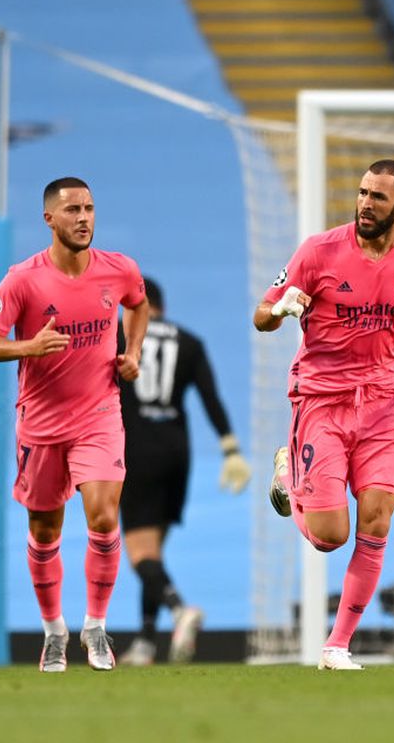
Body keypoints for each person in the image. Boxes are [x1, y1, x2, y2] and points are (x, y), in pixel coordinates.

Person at [254, 159, 394, 670]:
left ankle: (337, 646)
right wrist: (283, 308)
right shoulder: (318, 251)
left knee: (376, 521)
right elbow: (261, 316)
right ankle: (288, 477)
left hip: (383, 408)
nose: (365, 204)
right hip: (321, 404)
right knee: (331, 537)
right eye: (361, 193)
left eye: (377, 197)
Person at [0, 176, 149, 672]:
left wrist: (132, 351)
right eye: (72, 209)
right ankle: (54, 631)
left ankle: (96, 627)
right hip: (42, 423)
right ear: (49, 219)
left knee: (102, 515)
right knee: (45, 528)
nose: (84, 218)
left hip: (99, 414)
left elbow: (138, 303)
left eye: (90, 208)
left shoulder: (118, 269)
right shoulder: (22, 279)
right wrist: (27, 347)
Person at [117, 277, 251, 666]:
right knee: (154, 549)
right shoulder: (189, 342)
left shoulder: (120, 341)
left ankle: (179, 610)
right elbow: (211, 397)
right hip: (177, 452)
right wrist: (231, 449)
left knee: (139, 553)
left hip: (136, 451)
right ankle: (144, 641)